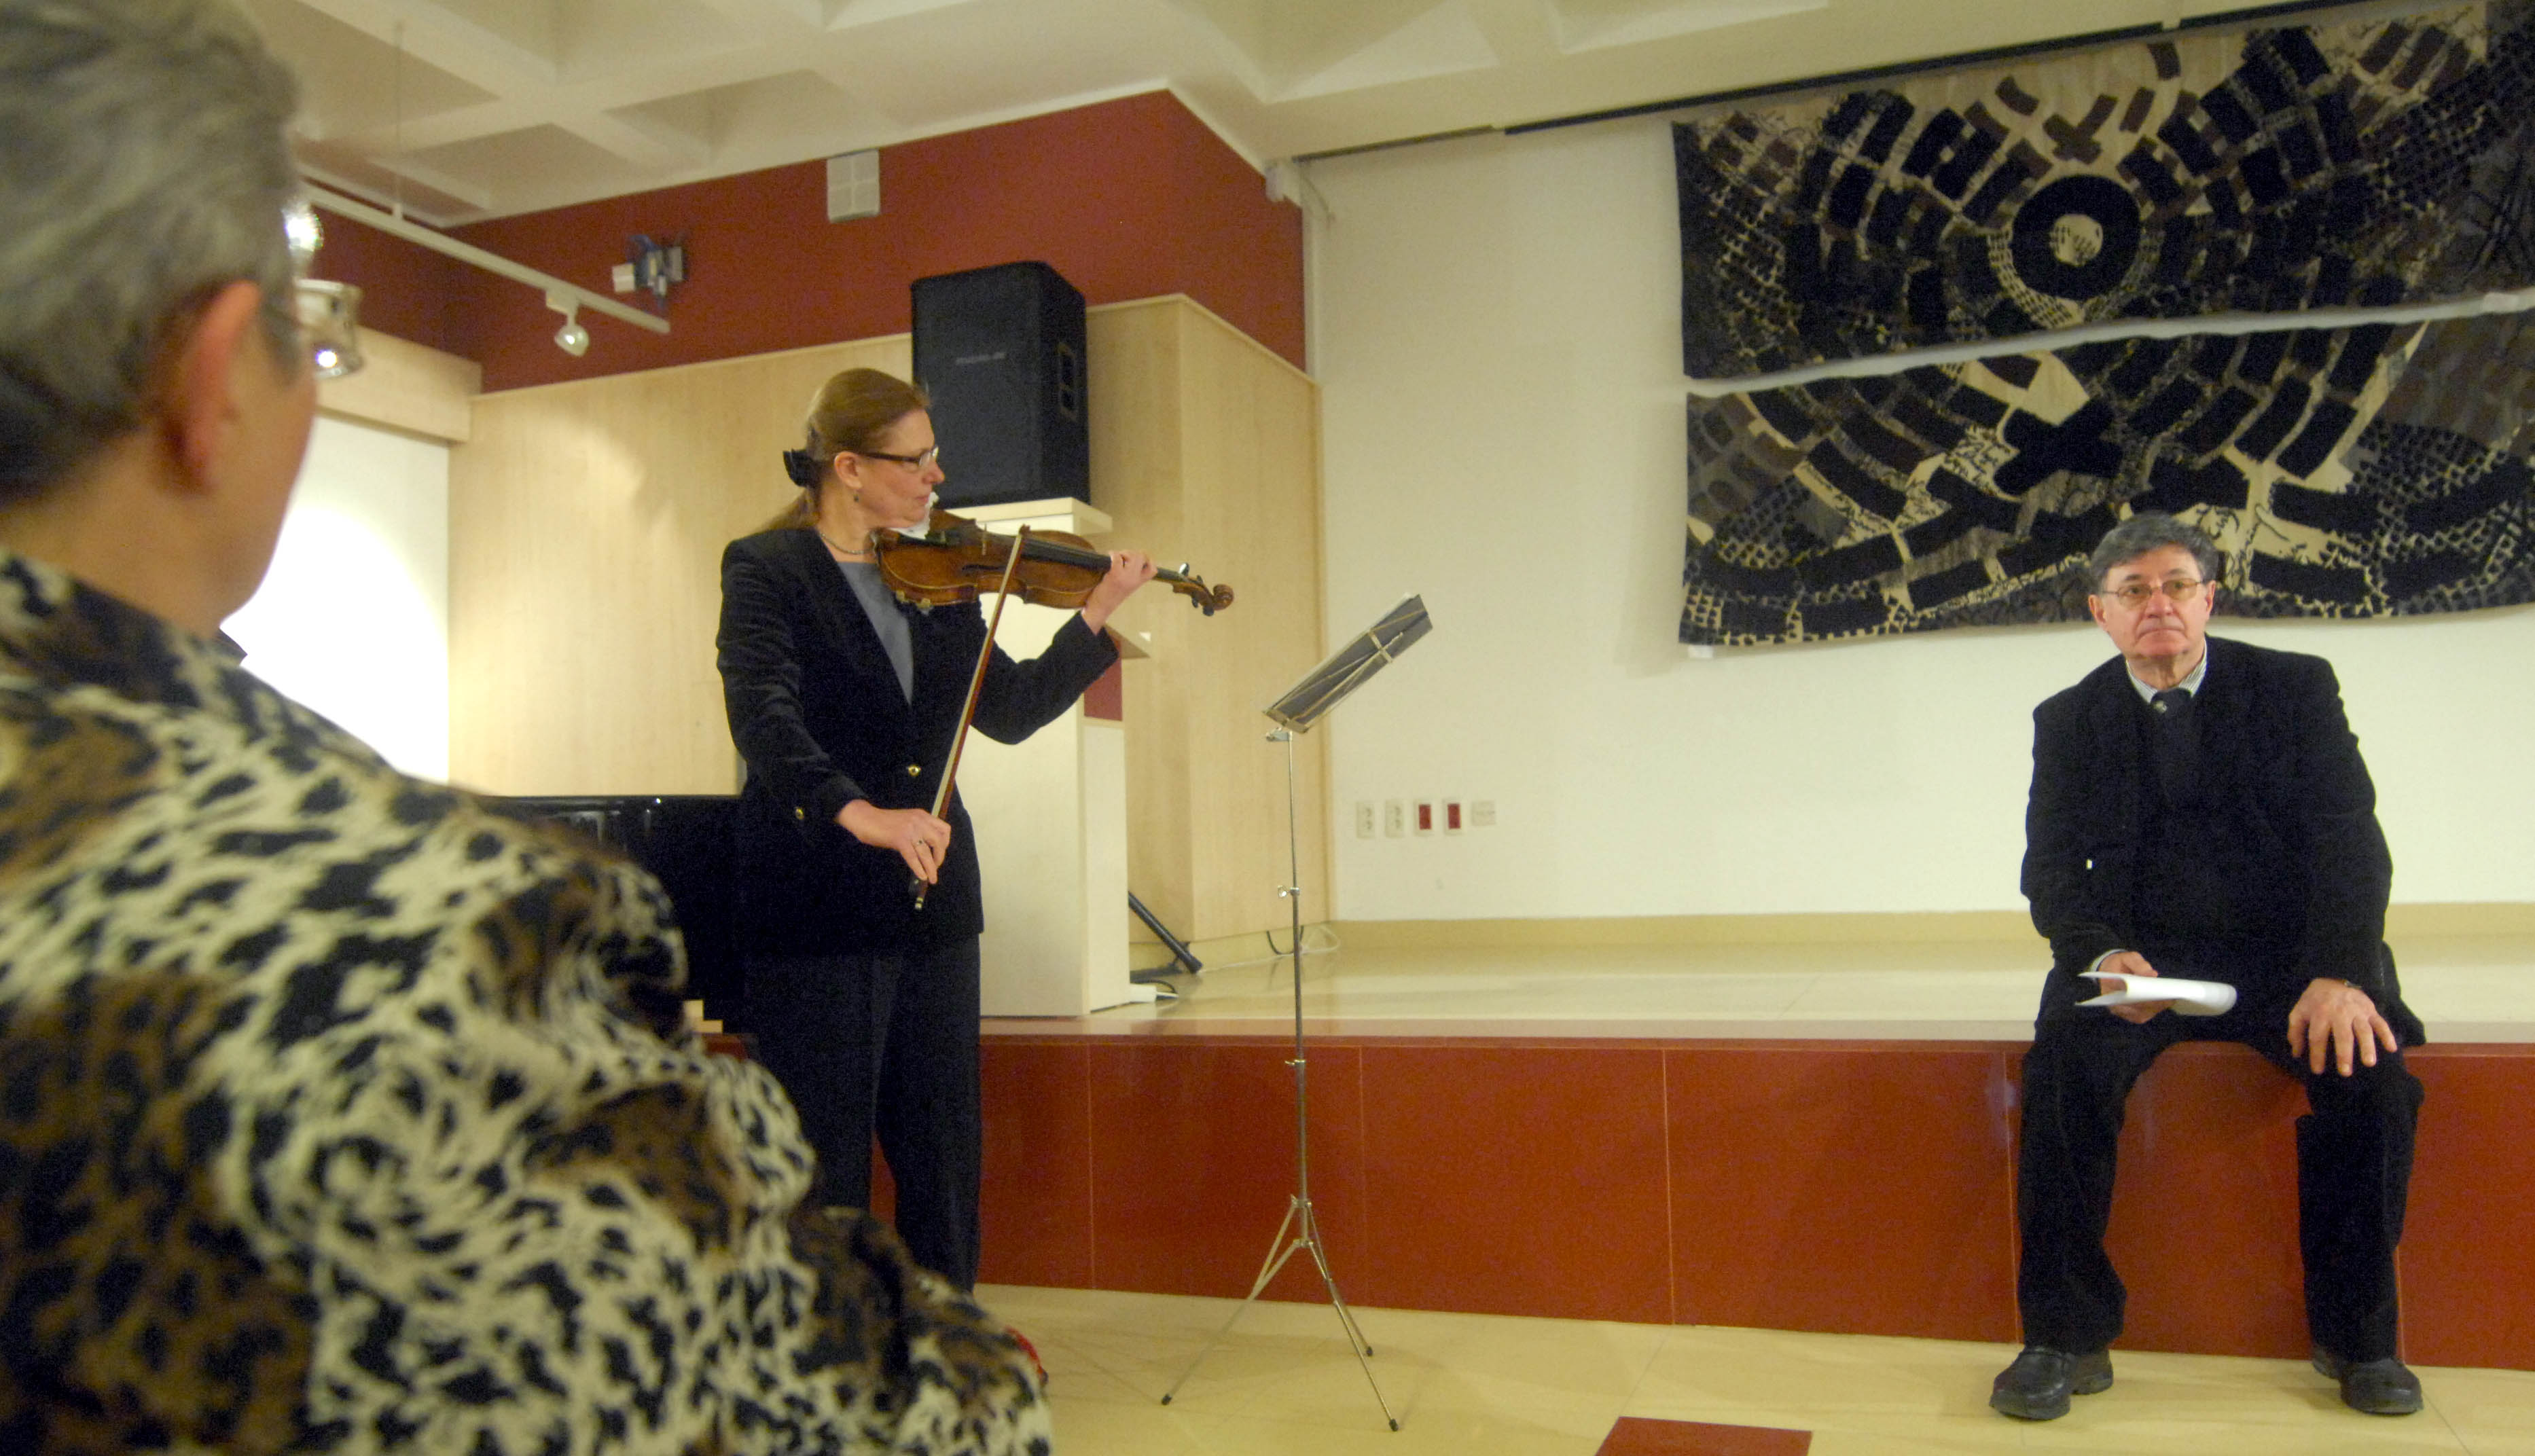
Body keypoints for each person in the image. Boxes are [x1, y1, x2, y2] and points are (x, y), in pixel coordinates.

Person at [0, 4, 1050, 1450]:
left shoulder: (936, 588)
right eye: (317, 336)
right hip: (821, 903)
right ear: (209, 375)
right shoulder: (420, 935)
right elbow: (814, 1395)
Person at [717, 367, 1153, 1292]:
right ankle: (829, 1350)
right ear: (848, 468)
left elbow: (1010, 709)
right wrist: (859, 812)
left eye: (934, 456)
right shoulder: (766, 569)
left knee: (944, 1151)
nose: (936, 477)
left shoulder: (940, 578)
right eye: (914, 460)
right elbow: (763, 718)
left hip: (934, 900)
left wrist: (1097, 613)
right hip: (819, 901)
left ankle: (945, 1335)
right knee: (821, 1158)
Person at [1994, 511, 2427, 1422]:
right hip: (2141, 962)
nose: (2158, 605)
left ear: (2209, 599)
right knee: (2063, 1073)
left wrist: (2342, 973)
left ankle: (2360, 1339)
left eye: (2176, 586)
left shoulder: (2295, 688)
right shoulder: (2068, 720)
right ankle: (2063, 1336)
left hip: (2294, 958)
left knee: (2373, 1082)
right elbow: (2050, 868)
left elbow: (2349, 839)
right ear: (2100, 613)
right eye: (2134, 591)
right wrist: (2101, 955)